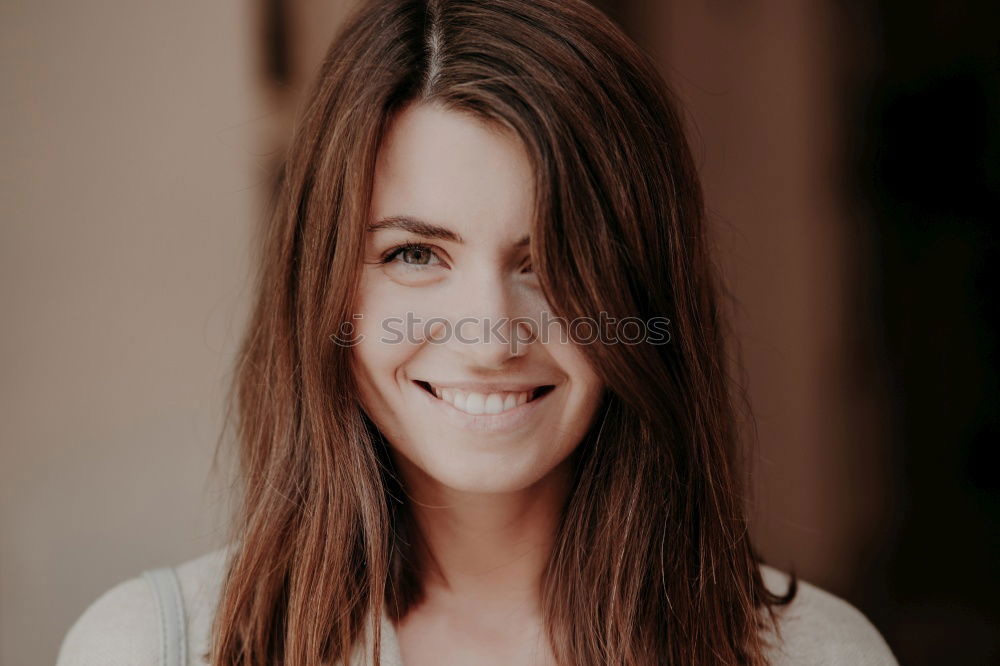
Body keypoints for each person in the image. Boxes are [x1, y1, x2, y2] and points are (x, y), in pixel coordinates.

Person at [57, 0, 900, 664]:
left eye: (549, 258)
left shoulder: (818, 657)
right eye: (415, 253)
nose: (492, 335)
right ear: (324, 288)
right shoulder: (152, 650)